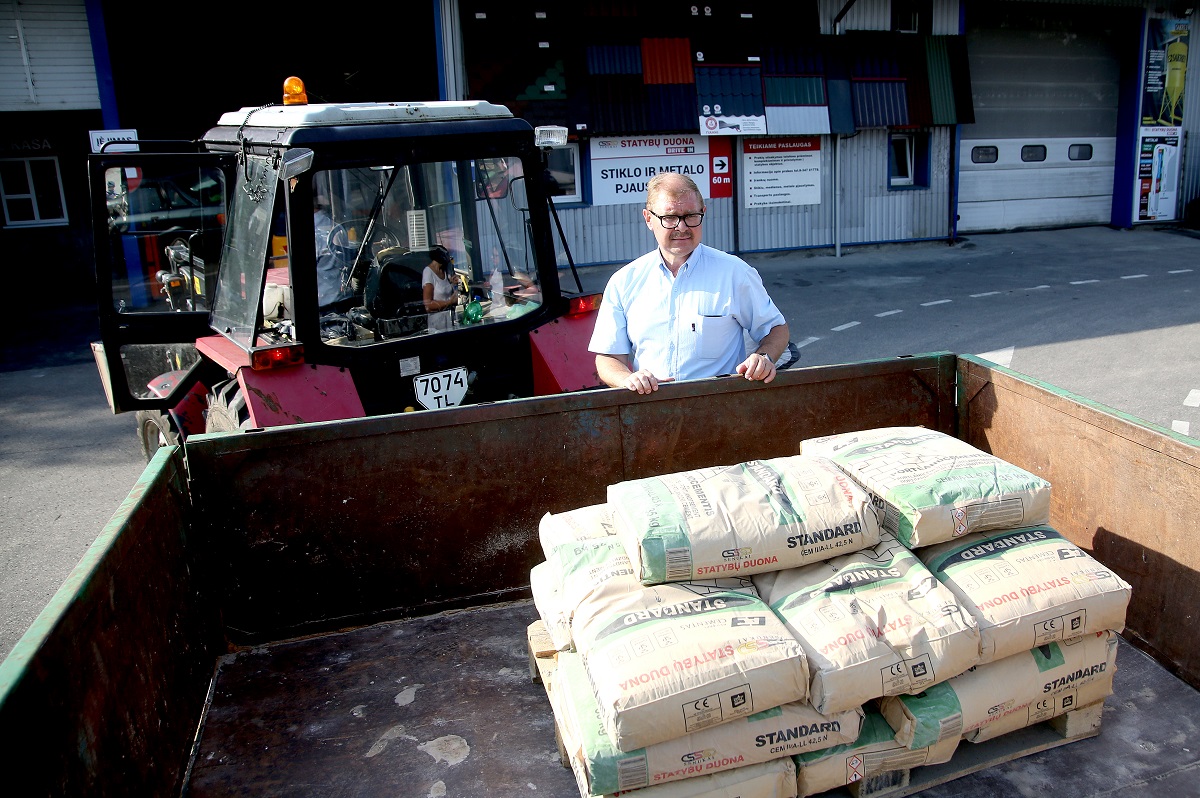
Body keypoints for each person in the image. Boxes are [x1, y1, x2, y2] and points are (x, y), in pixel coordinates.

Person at [588, 172, 790, 394]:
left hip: (721, 410)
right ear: (648, 219)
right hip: (652, 411)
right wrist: (628, 379)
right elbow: (608, 357)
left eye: (691, 216)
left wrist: (763, 357)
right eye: (670, 217)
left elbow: (775, 329)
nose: (682, 227)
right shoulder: (624, 282)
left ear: (703, 212)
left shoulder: (735, 273)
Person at [422, 245, 459, 332]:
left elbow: (453, 298)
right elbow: (428, 306)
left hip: (449, 320)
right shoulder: (428, 272)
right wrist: (448, 302)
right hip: (437, 325)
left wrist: (454, 285)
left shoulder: (446, 271)